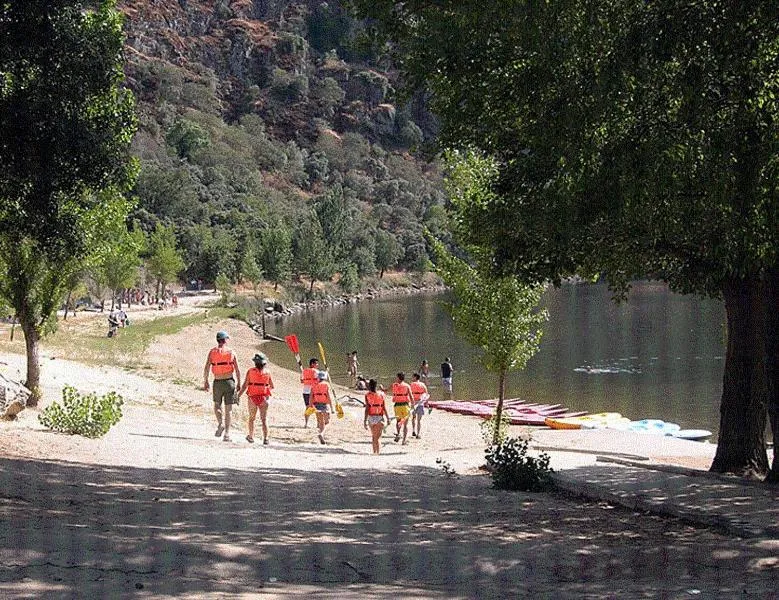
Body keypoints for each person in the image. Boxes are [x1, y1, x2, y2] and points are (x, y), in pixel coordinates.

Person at [203, 330, 241, 442]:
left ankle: (220, 423)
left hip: (217, 381)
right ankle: (227, 434)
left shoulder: (212, 352)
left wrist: (205, 381)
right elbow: (238, 370)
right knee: (228, 408)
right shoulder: (231, 352)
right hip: (229, 381)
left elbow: (207, 368)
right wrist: (239, 383)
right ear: (225, 340)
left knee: (217, 405)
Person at [238, 353, 274, 445]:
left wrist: (238, 396)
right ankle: (266, 439)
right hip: (264, 398)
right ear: (264, 363)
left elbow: (245, 385)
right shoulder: (268, 372)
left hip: (252, 397)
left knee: (251, 418)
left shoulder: (250, 371)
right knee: (264, 419)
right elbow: (272, 386)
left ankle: (251, 436)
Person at [363, 378, 389, 454]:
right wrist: (388, 418)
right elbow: (384, 407)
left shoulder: (367, 395)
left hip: (371, 417)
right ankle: (377, 452)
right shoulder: (381, 394)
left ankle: (374, 452)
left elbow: (367, 409)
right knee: (377, 437)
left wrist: (364, 420)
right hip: (379, 417)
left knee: (374, 436)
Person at [310, 370, 333, 444]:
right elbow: (328, 397)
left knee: (320, 422)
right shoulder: (326, 385)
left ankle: (321, 433)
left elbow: (311, 397)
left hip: (316, 405)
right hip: (324, 405)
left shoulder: (313, 386)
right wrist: (332, 407)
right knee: (327, 421)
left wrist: (310, 406)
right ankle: (322, 434)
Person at [391, 372, 413, 445]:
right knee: (405, 424)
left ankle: (398, 433)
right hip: (405, 405)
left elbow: (386, 390)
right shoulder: (407, 386)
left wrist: (382, 388)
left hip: (397, 405)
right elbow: (411, 396)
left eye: (396, 377)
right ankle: (404, 440)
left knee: (398, 421)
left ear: (398, 378)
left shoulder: (394, 385)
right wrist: (413, 405)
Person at [300, 358, 320, 428]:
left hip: (305, 392)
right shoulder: (316, 371)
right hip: (313, 392)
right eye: (316, 363)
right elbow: (320, 380)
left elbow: (302, 381)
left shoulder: (304, 371)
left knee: (308, 407)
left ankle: (306, 424)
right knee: (317, 407)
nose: (317, 365)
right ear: (312, 364)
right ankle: (318, 424)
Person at [410, 372, 429, 439]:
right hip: (420, 403)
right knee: (419, 420)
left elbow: (408, 394)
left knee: (413, 417)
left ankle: (413, 430)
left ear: (415, 377)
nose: (412, 378)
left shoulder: (411, 384)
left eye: (412, 377)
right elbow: (426, 394)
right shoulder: (423, 385)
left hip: (413, 403)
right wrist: (426, 403)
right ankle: (418, 434)